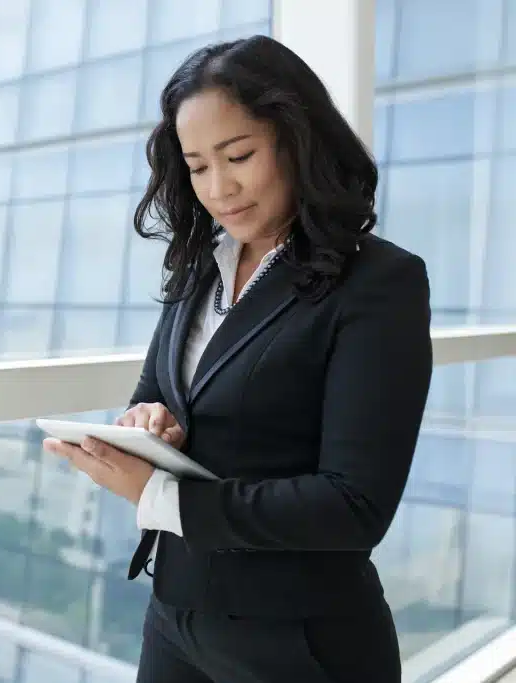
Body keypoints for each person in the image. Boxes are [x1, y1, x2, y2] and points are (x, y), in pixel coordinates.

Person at [43, 35, 432, 683]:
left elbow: (355, 503)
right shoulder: (203, 265)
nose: (219, 188)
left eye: (239, 155)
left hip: (301, 640)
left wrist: (159, 496)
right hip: (176, 613)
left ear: (297, 139)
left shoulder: (379, 283)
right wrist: (147, 421)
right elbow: (158, 390)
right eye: (197, 166)